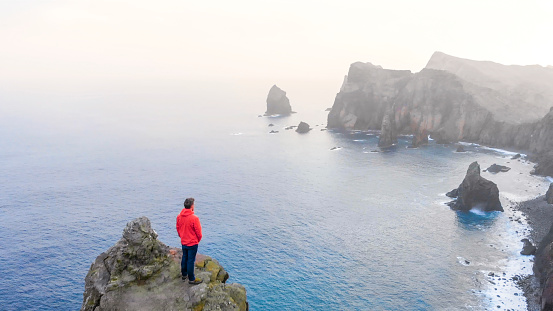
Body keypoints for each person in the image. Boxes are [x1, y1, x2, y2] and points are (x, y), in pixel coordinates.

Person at [176, 197, 203, 285]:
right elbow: (199, 232)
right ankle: (191, 279)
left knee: (185, 257)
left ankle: (184, 274)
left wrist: (182, 236)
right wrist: (197, 240)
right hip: (192, 242)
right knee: (191, 260)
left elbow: (178, 228)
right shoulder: (194, 218)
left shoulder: (179, 217)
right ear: (192, 206)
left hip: (184, 241)